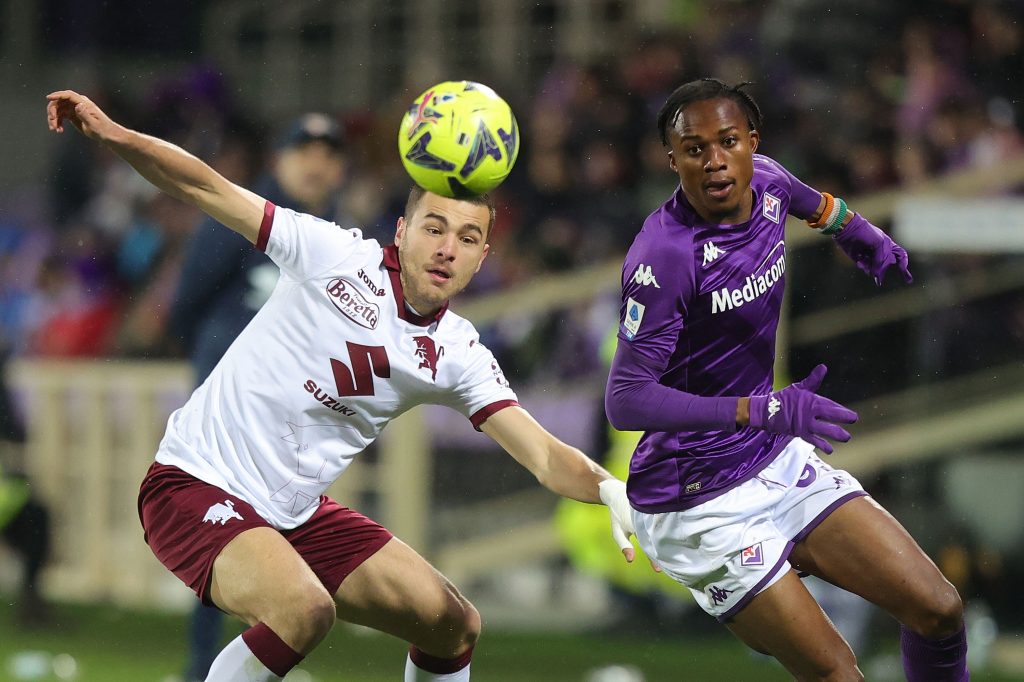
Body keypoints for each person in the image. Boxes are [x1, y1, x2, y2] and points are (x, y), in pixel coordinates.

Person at [46, 89, 637, 682]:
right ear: (402, 231)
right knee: (303, 610)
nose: (446, 250)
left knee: (453, 622)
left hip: (294, 516)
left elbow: (542, 455)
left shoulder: (457, 352)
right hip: (193, 486)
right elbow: (206, 187)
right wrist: (116, 135)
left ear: (483, 257)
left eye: (466, 239)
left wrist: (610, 487)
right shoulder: (333, 255)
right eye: (434, 228)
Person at [604, 78, 967, 681]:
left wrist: (858, 232)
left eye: (728, 142)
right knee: (837, 675)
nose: (715, 161)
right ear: (673, 161)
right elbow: (625, 399)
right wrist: (757, 410)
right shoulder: (662, 257)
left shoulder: (767, 179)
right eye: (695, 150)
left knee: (940, 610)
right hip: (697, 502)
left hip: (770, 457)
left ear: (753, 141)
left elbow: (811, 201)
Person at [168, 112, 348, 682]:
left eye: (329, 153)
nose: (317, 163)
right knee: (221, 535)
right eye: (305, 149)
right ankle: (204, 666)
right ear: (279, 159)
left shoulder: (337, 232)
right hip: (231, 407)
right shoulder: (242, 214)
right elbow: (189, 299)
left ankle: (260, 660)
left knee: (280, 533)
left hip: (293, 413)